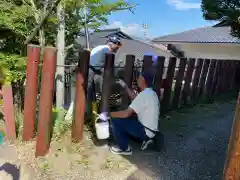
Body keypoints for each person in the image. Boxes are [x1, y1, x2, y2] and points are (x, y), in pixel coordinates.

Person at [106, 72, 160, 155]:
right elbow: (135, 98)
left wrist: (109, 114)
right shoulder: (151, 93)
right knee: (126, 118)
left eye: (139, 77)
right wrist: (124, 85)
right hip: (152, 131)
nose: (137, 79)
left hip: (145, 131)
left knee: (116, 120)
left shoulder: (144, 95)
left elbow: (126, 114)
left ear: (143, 80)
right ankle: (147, 140)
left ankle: (124, 148)